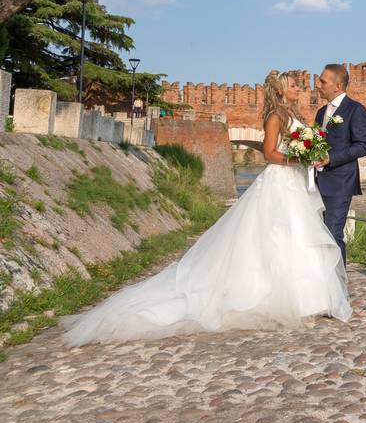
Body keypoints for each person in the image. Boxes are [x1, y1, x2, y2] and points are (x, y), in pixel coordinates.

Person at [60, 71, 351, 346]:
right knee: (275, 236)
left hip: (295, 185)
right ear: (280, 91)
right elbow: (269, 153)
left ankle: (309, 299)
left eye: (299, 85)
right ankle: (278, 299)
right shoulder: (275, 116)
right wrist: (297, 160)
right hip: (280, 182)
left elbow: (299, 143)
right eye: (293, 85)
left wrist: (309, 151)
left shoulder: (294, 115)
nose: (299, 88)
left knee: (297, 237)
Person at [313, 63, 366, 265]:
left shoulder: (356, 110)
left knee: (332, 233)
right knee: (318, 235)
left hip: (341, 183)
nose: (317, 84)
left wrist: (331, 157)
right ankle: (323, 282)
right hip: (317, 182)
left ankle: (338, 283)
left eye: (322, 81)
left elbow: (363, 146)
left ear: (337, 86)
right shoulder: (321, 113)